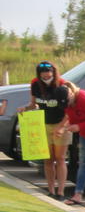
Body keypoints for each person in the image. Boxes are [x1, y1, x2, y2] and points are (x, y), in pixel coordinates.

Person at [20, 61, 69, 198]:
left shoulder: (62, 85)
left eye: (48, 71)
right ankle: (51, 190)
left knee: (60, 158)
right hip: (44, 124)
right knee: (48, 159)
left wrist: (61, 127)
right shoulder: (36, 83)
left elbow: (69, 111)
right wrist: (25, 109)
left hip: (61, 124)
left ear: (53, 72)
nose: (46, 74)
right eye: (43, 72)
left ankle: (61, 191)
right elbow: (33, 104)